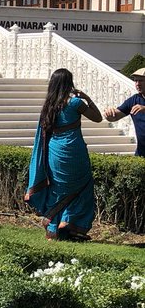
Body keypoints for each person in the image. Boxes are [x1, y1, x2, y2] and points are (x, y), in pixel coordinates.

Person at [25, 68, 102, 241]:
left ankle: (54, 227)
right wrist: (87, 98)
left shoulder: (49, 106)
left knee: (58, 188)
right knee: (83, 186)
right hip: (74, 150)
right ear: (69, 83)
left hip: (54, 151)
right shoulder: (75, 103)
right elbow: (97, 118)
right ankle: (70, 225)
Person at [103, 67, 145, 157]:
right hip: (141, 153)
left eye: (141, 81)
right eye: (136, 81)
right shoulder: (134, 100)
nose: (138, 84)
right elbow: (115, 116)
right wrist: (109, 114)